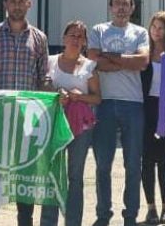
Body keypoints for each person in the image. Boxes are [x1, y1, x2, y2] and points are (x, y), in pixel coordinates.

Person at [0, 0, 51, 226]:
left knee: (24, 175)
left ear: (29, 4)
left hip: (26, 120)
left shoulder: (39, 38)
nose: (17, 6)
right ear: (5, 5)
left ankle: (24, 222)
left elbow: (43, 77)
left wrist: (53, 96)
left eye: (21, 1)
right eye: (13, 1)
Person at [88, 0, 151, 226]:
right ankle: (103, 214)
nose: (121, 8)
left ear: (133, 8)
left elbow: (142, 61)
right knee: (103, 164)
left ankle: (130, 215)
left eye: (126, 4)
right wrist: (126, 60)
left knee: (133, 164)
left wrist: (109, 57)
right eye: (117, 3)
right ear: (110, 7)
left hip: (133, 103)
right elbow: (93, 60)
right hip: (104, 103)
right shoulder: (98, 30)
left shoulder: (140, 32)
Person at [48, 20, 102, 226]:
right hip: (54, 124)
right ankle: (48, 222)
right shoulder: (50, 61)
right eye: (72, 35)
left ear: (85, 42)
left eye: (80, 36)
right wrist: (56, 93)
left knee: (75, 176)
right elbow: (41, 86)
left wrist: (79, 97)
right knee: (52, 174)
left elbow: (97, 98)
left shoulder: (89, 66)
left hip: (80, 128)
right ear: (64, 38)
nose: (76, 39)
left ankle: (73, 222)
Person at [141, 11, 165, 225]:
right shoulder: (142, 53)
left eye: (161, 27)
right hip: (146, 109)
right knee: (147, 160)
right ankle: (150, 208)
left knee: (164, 160)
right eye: (153, 27)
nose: (156, 31)